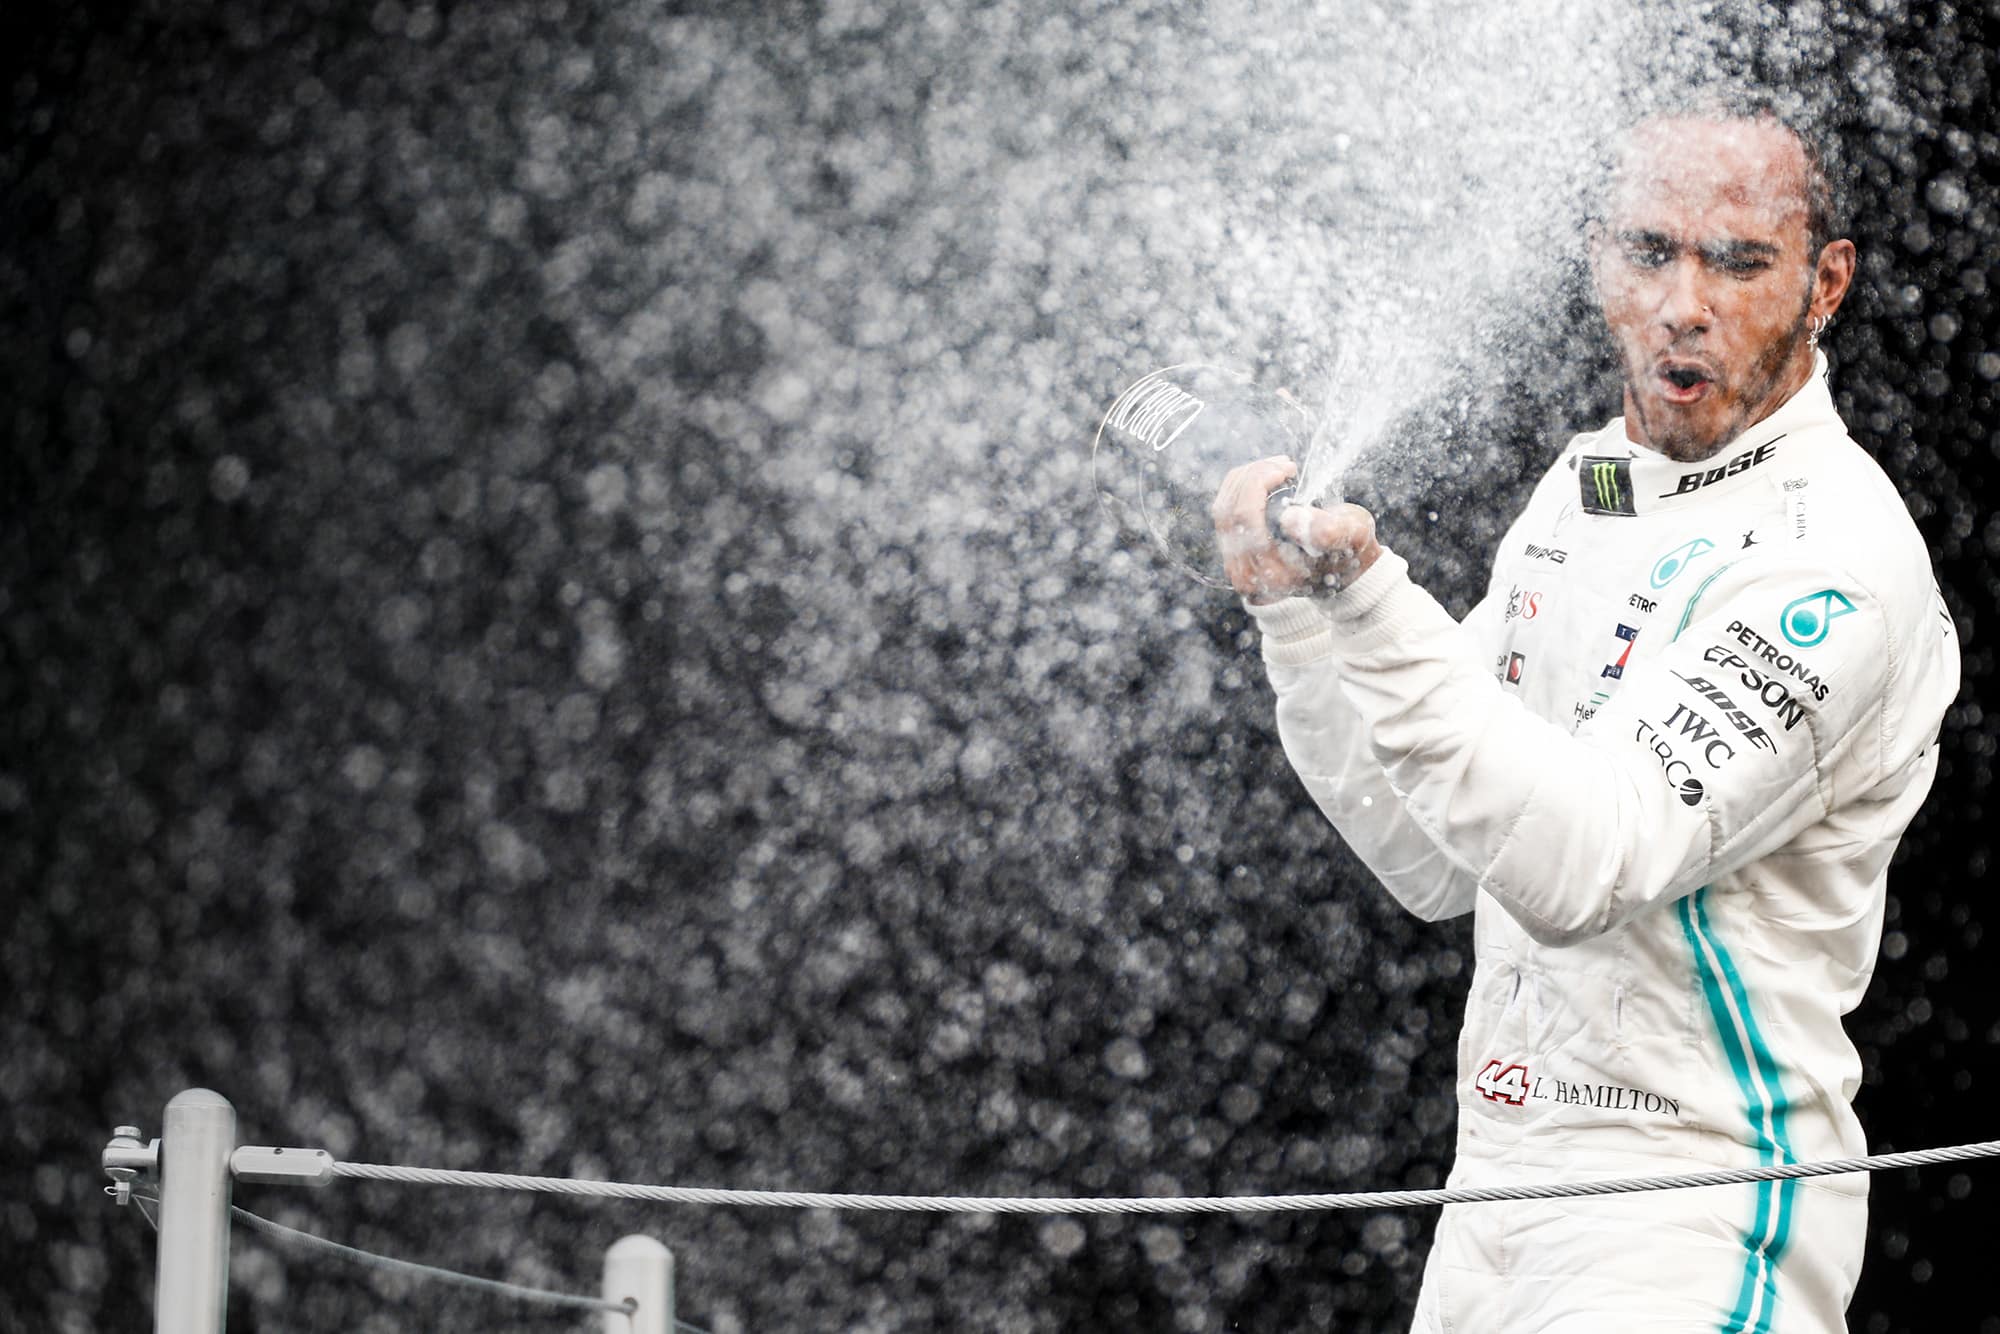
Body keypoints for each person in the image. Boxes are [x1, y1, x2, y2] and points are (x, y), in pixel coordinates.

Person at [1213, 97, 1960, 1332]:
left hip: (1689, 1220)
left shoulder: (1839, 557)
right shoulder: (1584, 487)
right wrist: (1299, 619)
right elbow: (1432, 856)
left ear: (1824, 283)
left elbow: (1578, 862)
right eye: (1647, 251)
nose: (1683, 301)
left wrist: (1372, 595)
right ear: (1596, 257)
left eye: (1735, 262)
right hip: (1488, 1204)